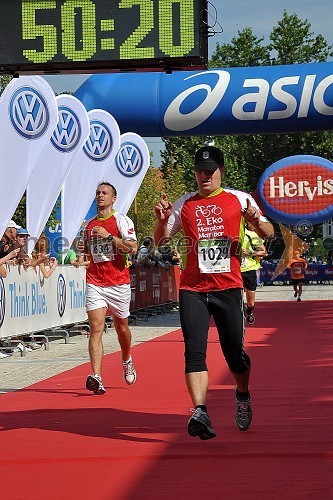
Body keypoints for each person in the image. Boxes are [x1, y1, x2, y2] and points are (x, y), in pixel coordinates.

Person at [153, 145, 274, 440]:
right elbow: (160, 241)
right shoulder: (185, 204)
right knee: (194, 352)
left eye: (210, 170)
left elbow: (270, 233)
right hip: (193, 288)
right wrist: (160, 220)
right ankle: (200, 411)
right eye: (199, 171)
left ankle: (242, 394)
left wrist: (255, 221)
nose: (204, 175)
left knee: (235, 355)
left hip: (228, 287)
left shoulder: (239, 199)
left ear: (221, 171)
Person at [79, 181, 138, 395]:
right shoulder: (89, 225)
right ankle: (97, 377)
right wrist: (83, 248)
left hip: (118, 281)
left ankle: (126, 358)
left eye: (105, 193)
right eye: (97, 193)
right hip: (95, 281)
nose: (100, 195)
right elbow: (87, 251)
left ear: (114, 198)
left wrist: (110, 237)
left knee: (122, 327)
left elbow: (132, 248)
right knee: (95, 329)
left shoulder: (121, 220)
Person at [241, 222, 268, 325]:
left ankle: (249, 312)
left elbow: (264, 252)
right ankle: (239, 316)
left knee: (251, 303)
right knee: (236, 299)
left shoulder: (251, 235)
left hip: (249, 270)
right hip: (234, 272)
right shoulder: (230, 235)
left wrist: (249, 253)